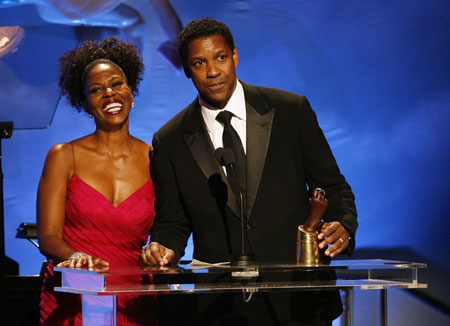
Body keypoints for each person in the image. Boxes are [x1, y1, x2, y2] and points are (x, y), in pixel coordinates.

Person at [141, 17, 358, 325]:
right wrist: (163, 247)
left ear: (235, 56)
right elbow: (172, 221)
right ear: (187, 69)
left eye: (220, 57)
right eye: (199, 62)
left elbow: (334, 188)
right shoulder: (170, 139)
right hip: (222, 306)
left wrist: (343, 225)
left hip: (299, 300)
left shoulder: (289, 110)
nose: (213, 71)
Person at [37, 37, 157, 325]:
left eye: (117, 84)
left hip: (133, 301)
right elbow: (48, 237)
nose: (109, 94)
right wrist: (76, 256)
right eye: (96, 90)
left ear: (131, 92)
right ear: (87, 104)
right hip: (74, 299)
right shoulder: (63, 156)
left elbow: (171, 228)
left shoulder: (156, 158)